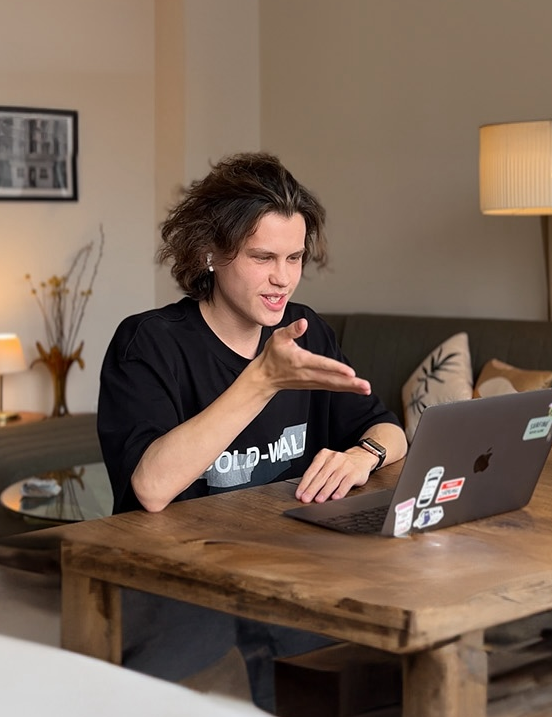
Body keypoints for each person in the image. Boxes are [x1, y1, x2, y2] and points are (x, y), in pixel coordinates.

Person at [97, 151, 407, 712]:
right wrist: (261, 380)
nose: (282, 278)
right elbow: (151, 487)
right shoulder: (149, 344)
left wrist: (362, 454)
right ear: (209, 252)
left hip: (292, 568)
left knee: (395, 655)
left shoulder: (306, 330)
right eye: (262, 257)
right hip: (184, 582)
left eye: (294, 257)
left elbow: (389, 430)